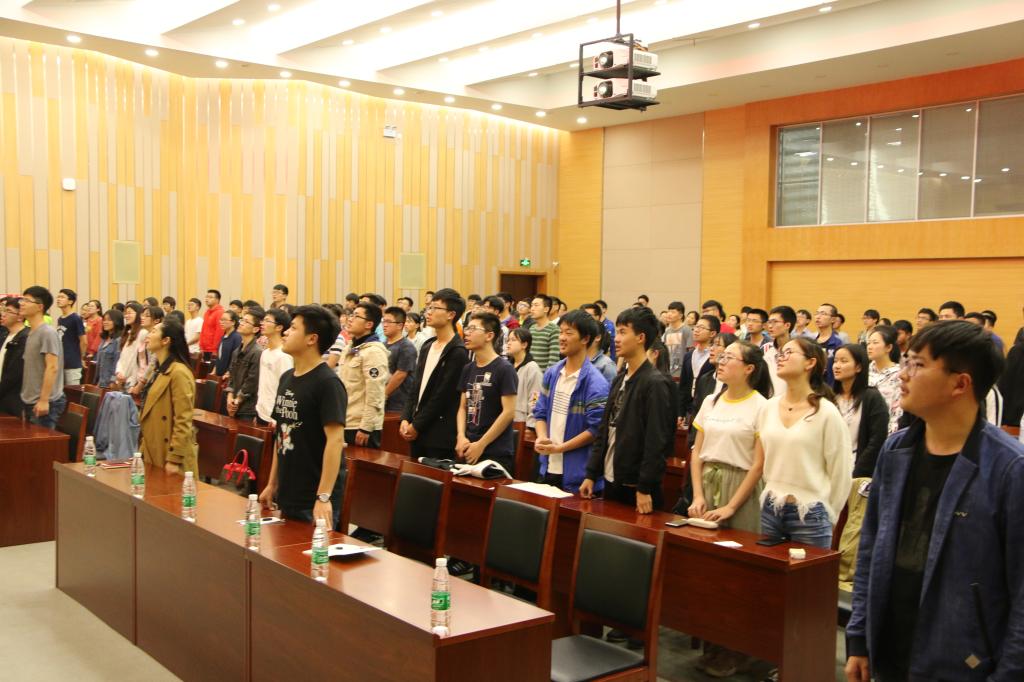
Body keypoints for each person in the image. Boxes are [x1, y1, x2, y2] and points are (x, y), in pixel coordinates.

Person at [845, 320, 1024, 682]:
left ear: (960, 384)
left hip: (963, 661)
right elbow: (871, 549)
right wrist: (859, 636)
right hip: (890, 647)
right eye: (906, 362)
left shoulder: (1009, 469)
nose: (904, 375)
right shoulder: (896, 450)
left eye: (918, 365)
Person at [687, 340, 772, 678]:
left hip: (742, 490)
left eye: (729, 358)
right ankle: (713, 645)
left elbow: (758, 464)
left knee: (738, 575)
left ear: (749, 368)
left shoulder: (762, 406)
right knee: (707, 572)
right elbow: (697, 451)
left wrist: (731, 506)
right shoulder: (711, 400)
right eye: (720, 357)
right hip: (708, 485)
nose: (720, 362)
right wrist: (697, 495)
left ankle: (738, 651)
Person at [757, 336, 852, 548]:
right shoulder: (768, 408)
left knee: (808, 570)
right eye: (781, 353)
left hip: (811, 511)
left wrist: (830, 513)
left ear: (810, 363)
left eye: (789, 353)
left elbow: (841, 471)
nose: (781, 357)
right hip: (771, 506)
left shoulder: (826, 412)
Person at [258, 305, 347, 529]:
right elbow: (281, 435)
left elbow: (335, 441)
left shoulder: (328, 383)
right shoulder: (287, 377)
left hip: (313, 498)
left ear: (312, 339)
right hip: (288, 491)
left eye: (294, 328)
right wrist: (272, 483)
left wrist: (323, 496)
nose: (286, 332)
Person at [580, 306, 676, 514]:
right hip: (611, 479)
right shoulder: (619, 379)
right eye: (617, 332)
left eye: (623, 332)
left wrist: (644, 486)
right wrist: (591, 474)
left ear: (641, 337)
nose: (616, 338)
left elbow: (657, 441)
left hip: (637, 487)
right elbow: (604, 430)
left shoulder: (655, 383)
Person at [830, 343, 889, 592]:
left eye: (844, 361)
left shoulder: (871, 397)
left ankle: (844, 579)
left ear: (859, 367)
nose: (837, 365)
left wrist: (855, 473)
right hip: (829, 472)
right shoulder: (828, 397)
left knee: (851, 529)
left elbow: (877, 439)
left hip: (859, 474)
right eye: (835, 360)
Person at [532, 310, 609, 493]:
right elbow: (540, 412)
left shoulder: (596, 382)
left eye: (569, 333)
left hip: (577, 474)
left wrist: (560, 448)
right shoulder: (552, 373)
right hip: (548, 466)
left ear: (585, 339)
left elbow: (595, 430)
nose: (562, 338)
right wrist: (541, 437)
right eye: (561, 332)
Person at [401, 288, 469, 459]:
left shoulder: (458, 351)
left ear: (451, 314)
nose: (428, 312)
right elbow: (416, 386)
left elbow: (442, 396)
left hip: (438, 434)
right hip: (417, 428)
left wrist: (417, 425)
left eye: (435, 308)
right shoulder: (427, 345)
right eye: (428, 308)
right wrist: (405, 418)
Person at [455, 312, 518, 474]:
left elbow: (509, 412)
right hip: (468, 446)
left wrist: (481, 444)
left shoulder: (504, 369)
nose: (467, 333)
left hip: (495, 450)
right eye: (467, 328)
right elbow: (462, 407)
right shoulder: (468, 368)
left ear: (489, 335)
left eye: (473, 329)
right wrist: (461, 436)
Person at [139, 319, 198, 475]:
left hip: (169, 453)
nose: (148, 335)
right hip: (153, 446)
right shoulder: (158, 369)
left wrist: (174, 458)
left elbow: (183, 418)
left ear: (165, 340)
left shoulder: (179, 372)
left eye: (153, 332)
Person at [339, 302, 388, 447]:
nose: (350, 319)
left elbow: (375, 393)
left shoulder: (374, 352)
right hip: (346, 420)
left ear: (369, 324)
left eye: (356, 316)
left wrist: (366, 427)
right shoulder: (350, 347)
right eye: (351, 315)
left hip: (361, 426)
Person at [19, 287, 67, 429]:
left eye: (27, 300)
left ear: (40, 307)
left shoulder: (47, 332)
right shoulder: (31, 332)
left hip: (45, 402)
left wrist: (44, 400)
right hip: (30, 400)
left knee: (42, 442)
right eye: (22, 299)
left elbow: (52, 367)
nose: (22, 303)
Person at [677, 314, 720, 427]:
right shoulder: (688, 355)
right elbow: (683, 386)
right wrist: (680, 412)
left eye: (701, 327)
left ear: (712, 333)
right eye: (696, 327)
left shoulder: (715, 357)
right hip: (689, 409)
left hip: (708, 408)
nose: (696, 330)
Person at [256, 308, 293, 427]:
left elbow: (286, 389)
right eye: (263, 320)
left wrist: (278, 419)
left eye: (267, 321)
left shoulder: (284, 356)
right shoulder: (265, 353)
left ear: (279, 327)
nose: (262, 323)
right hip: (261, 412)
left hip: (274, 418)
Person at [224, 308, 263, 420]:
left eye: (246, 321)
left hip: (247, 408)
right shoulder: (237, 351)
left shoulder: (257, 352)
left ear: (256, 329)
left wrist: (237, 400)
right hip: (234, 403)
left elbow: (252, 381)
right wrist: (230, 397)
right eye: (242, 320)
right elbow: (232, 377)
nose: (241, 323)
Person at [867, 325, 903, 434]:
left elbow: (898, 411)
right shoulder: (864, 371)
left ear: (888, 347)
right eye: (868, 343)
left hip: (887, 431)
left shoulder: (899, 374)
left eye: (875, 343)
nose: (870, 347)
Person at [381, 306, 417, 416]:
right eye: (383, 321)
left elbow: (400, 374)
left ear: (400, 325)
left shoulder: (406, 347)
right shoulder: (382, 345)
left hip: (398, 405)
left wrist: (383, 395)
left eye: (388, 322)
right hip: (383, 403)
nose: (384, 325)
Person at [0, 297, 29, 415]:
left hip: (13, 398)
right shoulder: (5, 335)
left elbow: (14, 373)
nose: (3, 314)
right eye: (3, 310)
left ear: (20, 316)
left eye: (8, 311)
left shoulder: (25, 337)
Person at [508, 327, 542, 429]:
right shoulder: (507, 366)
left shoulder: (532, 368)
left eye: (513, 340)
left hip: (522, 421)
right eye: (508, 340)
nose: (509, 343)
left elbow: (535, 397)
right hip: (505, 420)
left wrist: (531, 425)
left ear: (524, 345)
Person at [56, 289, 86, 386]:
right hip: (61, 362)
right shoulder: (60, 319)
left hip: (73, 363)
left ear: (70, 301)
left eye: (62, 297)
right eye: (58, 297)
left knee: (73, 391)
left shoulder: (76, 318)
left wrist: (81, 357)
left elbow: (83, 341)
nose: (58, 299)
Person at [764, 305, 795, 397]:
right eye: (769, 322)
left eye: (775, 322)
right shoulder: (767, 351)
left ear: (787, 325)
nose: (770, 326)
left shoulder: (797, 351)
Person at [115, 302, 147, 391]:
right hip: (123, 379)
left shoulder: (142, 333)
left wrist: (128, 377)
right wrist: (118, 372)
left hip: (133, 381)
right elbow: (122, 357)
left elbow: (139, 360)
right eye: (125, 313)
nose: (126, 316)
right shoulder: (128, 333)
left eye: (129, 313)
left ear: (139, 314)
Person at [662, 301, 693, 381]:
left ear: (680, 315)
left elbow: (690, 352)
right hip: (668, 371)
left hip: (682, 372)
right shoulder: (667, 331)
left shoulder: (686, 330)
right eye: (668, 311)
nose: (669, 314)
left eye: (673, 312)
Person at [528, 294, 560, 370]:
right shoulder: (531, 328)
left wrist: (546, 376)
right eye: (532, 305)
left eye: (536, 305)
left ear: (546, 309)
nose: (532, 309)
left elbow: (554, 359)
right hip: (531, 373)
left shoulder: (554, 329)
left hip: (544, 375)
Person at [814, 303, 844, 386]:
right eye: (817, 313)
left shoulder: (838, 343)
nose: (818, 317)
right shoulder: (811, 343)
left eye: (823, 314)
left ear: (833, 319)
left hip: (831, 388)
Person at [94, 309, 124, 389]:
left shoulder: (119, 340)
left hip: (110, 384)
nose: (105, 322)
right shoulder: (104, 339)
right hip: (100, 382)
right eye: (104, 320)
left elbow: (117, 363)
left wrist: (113, 381)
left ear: (117, 321)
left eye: (109, 320)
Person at [215, 309, 242, 376]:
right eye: (221, 319)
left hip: (227, 376)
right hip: (219, 373)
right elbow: (219, 356)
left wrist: (228, 372)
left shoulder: (237, 337)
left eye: (224, 320)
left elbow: (235, 359)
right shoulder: (224, 336)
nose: (221, 322)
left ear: (233, 322)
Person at [199, 289, 225, 355]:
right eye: (206, 297)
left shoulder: (220, 312)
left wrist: (215, 349)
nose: (207, 299)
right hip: (204, 349)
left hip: (213, 350)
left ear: (217, 300)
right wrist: (201, 346)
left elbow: (219, 332)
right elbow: (203, 330)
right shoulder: (207, 312)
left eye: (210, 297)